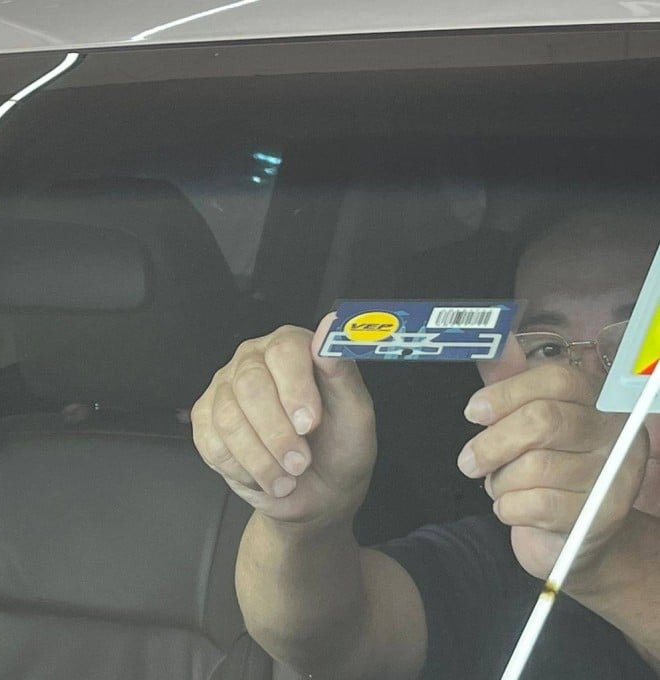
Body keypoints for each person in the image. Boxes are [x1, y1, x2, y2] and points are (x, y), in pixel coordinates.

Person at [191, 208, 660, 679]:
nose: (585, 386)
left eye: (641, 345)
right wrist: (303, 521)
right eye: (550, 350)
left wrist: (610, 559)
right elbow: (324, 639)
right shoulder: (500, 557)